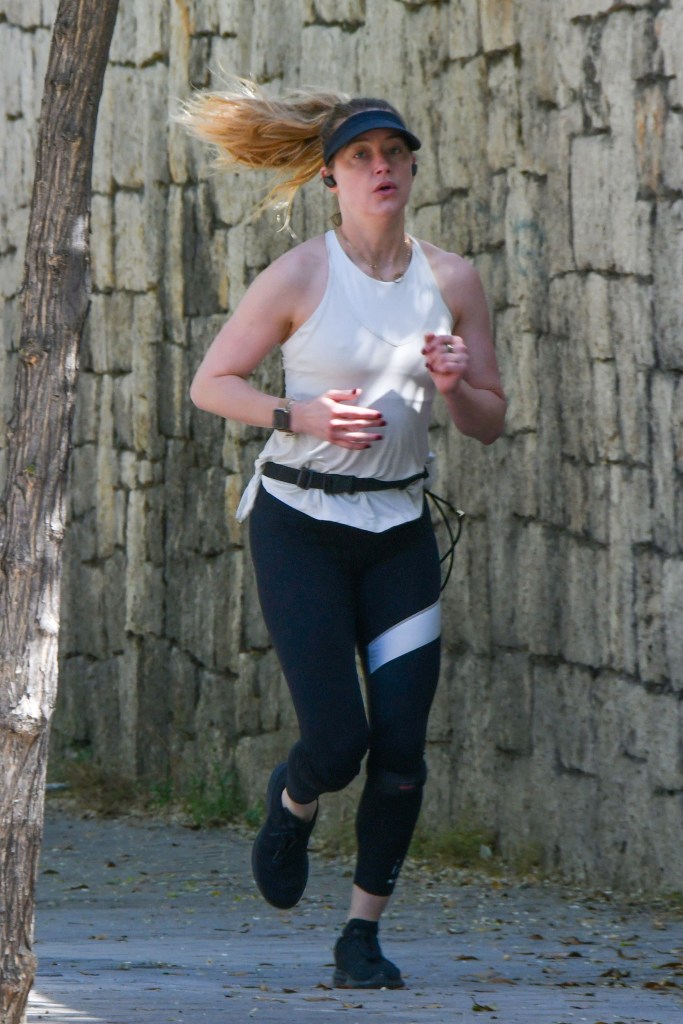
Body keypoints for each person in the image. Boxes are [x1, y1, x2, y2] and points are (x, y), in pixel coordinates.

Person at [181, 79, 506, 989]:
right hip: (300, 523)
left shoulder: (453, 281)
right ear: (331, 177)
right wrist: (302, 414)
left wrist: (452, 386)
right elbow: (213, 384)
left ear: (410, 169)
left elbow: (488, 421)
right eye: (361, 158)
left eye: (393, 155)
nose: (380, 169)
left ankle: (360, 936)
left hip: (399, 529)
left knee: (401, 750)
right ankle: (293, 802)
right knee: (338, 743)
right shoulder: (301, 276)